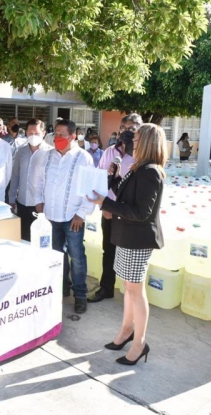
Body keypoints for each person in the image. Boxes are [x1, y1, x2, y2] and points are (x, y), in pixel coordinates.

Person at [87, 123, 167, 365]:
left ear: (148, 143)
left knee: (135, 291)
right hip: (126, 236)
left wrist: (106, 204)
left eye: (138, 138)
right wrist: (112, 177)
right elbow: (122, 195)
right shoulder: (136, 167)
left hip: (137, 239)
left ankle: (139, 343)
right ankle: (125, 331)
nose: (132, 141)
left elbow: (142, 212)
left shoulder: (150, 171)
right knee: (128, 289)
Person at [35, 119, 95, 314]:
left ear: (73, 136)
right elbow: (39, 181)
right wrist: (39, 205)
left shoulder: (84, 157)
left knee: (76, 257)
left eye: (62, 134)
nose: (57, 138)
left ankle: (80, 295)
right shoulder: (47, 156)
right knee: (55, 256)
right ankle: (62, 288)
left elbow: (90, 189)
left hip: (73, 217)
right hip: (50, 216)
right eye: (56, 134)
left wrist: (81, 214)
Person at [88, 113, 142, 303]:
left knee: (130, 256)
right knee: (108, 251)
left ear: (139, 131)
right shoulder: (110, 151)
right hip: (110, 209)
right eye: (123, 128)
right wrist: (104, 207)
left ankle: (131, 296)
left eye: (132, 129)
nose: (126, 132)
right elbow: (102, 179)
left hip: (131, 214)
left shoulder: (143, 154)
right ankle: (106, 288)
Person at [9, 118, 52, 241]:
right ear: (26, 133)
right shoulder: (20, 152)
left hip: (41, 205)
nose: (33, 136)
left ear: (43, 133)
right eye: (30, 133)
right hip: (22, 202)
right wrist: (12, 198)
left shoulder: (50, 152)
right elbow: (15, 175)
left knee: (40, 240)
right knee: (23, 238)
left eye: (37, 133)